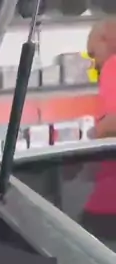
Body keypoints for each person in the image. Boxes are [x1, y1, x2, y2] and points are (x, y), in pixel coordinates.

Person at [79, 19, 116, 243]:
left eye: (93, 54)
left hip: (109, 202)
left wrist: (92, 134)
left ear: (105, 40)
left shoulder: (112, 66)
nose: (95, 64)